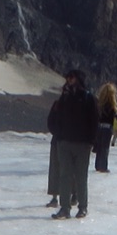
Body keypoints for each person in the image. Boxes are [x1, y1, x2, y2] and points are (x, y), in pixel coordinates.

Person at [46, 71, 98, 219]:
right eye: (67, 78)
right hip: (65, 142)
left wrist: (92, 142)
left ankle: (82, 207)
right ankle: (65, 208)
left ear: (78, 79)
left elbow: (94, 121)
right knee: (64, 175)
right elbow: (55, 118)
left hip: (82, 144)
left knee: (80, 176)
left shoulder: (88, 98)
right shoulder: (65, 97)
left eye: (71, 78)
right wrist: (59, 135)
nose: (68, 81)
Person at [93, 83, 117, 172]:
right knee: (105, 148)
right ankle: (103, 166)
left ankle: (97, 165)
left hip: (98, 127)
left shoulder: (99, 105)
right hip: (107, 128)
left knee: (99, 146)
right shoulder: (112, 106)